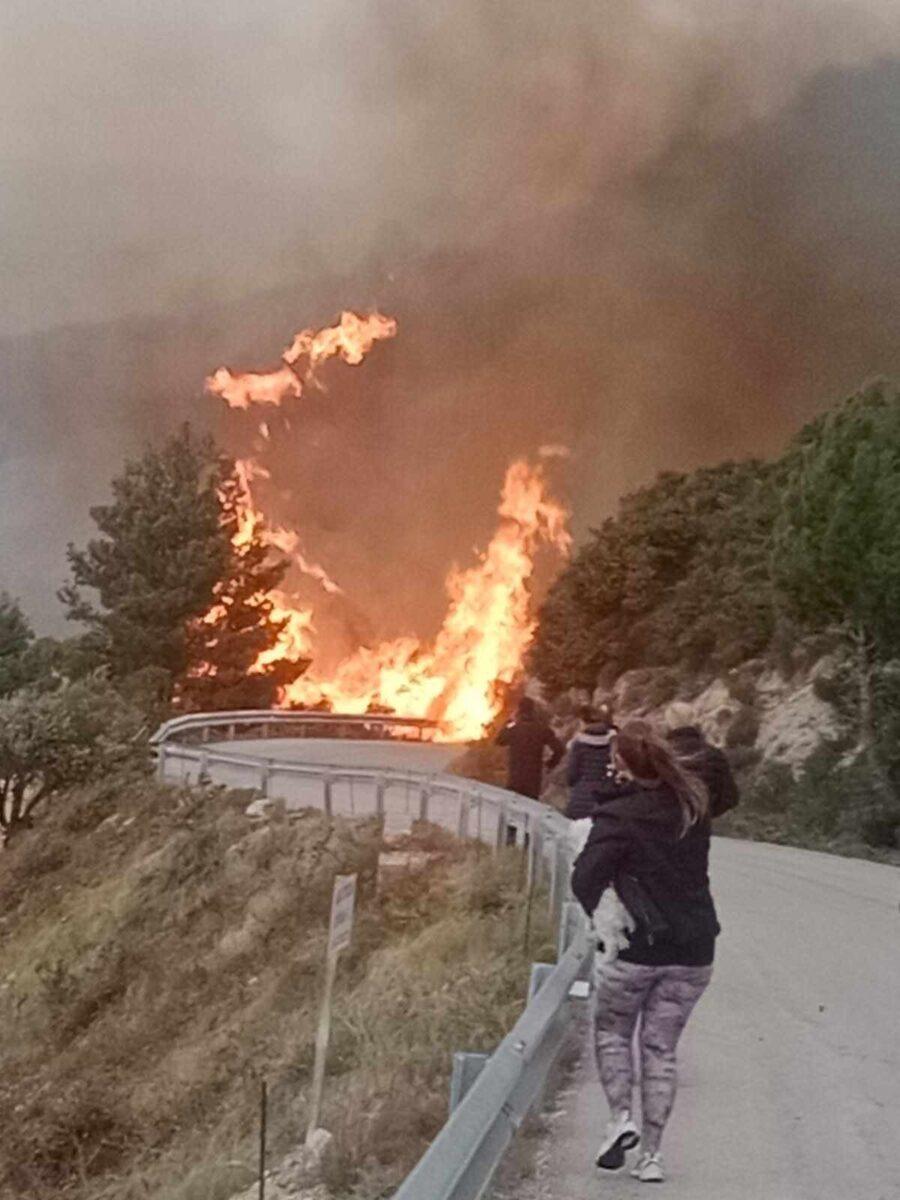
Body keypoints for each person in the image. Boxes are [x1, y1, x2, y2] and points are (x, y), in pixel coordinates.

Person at [571, 720, 718, 1184]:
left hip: (637, 948)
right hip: (694, 949)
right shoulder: (693, 808)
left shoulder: (620, 817)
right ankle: (652, 1157)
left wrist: (606, 912)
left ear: (621, 763)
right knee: (661, 1049)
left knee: (613, 1034)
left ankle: (620, 1120)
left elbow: (585, 877)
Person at [665, 701, 739, 818]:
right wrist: (705, 814)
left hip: (665, 827)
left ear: (669, 724)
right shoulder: (714, 754)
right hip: (700, 829)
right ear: (693, 721)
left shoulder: (660, 755)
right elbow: (730, 797)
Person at [495, 696, 564, 799]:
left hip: (515, 779)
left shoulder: (513, 729)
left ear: (518, 711)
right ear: (533, 710)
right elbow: (559, 749)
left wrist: (509, 722)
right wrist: (551, 763)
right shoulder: (542, 729)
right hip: (533, 780)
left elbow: (499, 740)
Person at [565, 701, 622, 820]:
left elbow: (571, 777)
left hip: (579, 803)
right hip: (604, 802)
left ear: (584, 722)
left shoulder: (578, 744)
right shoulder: (613, 742)